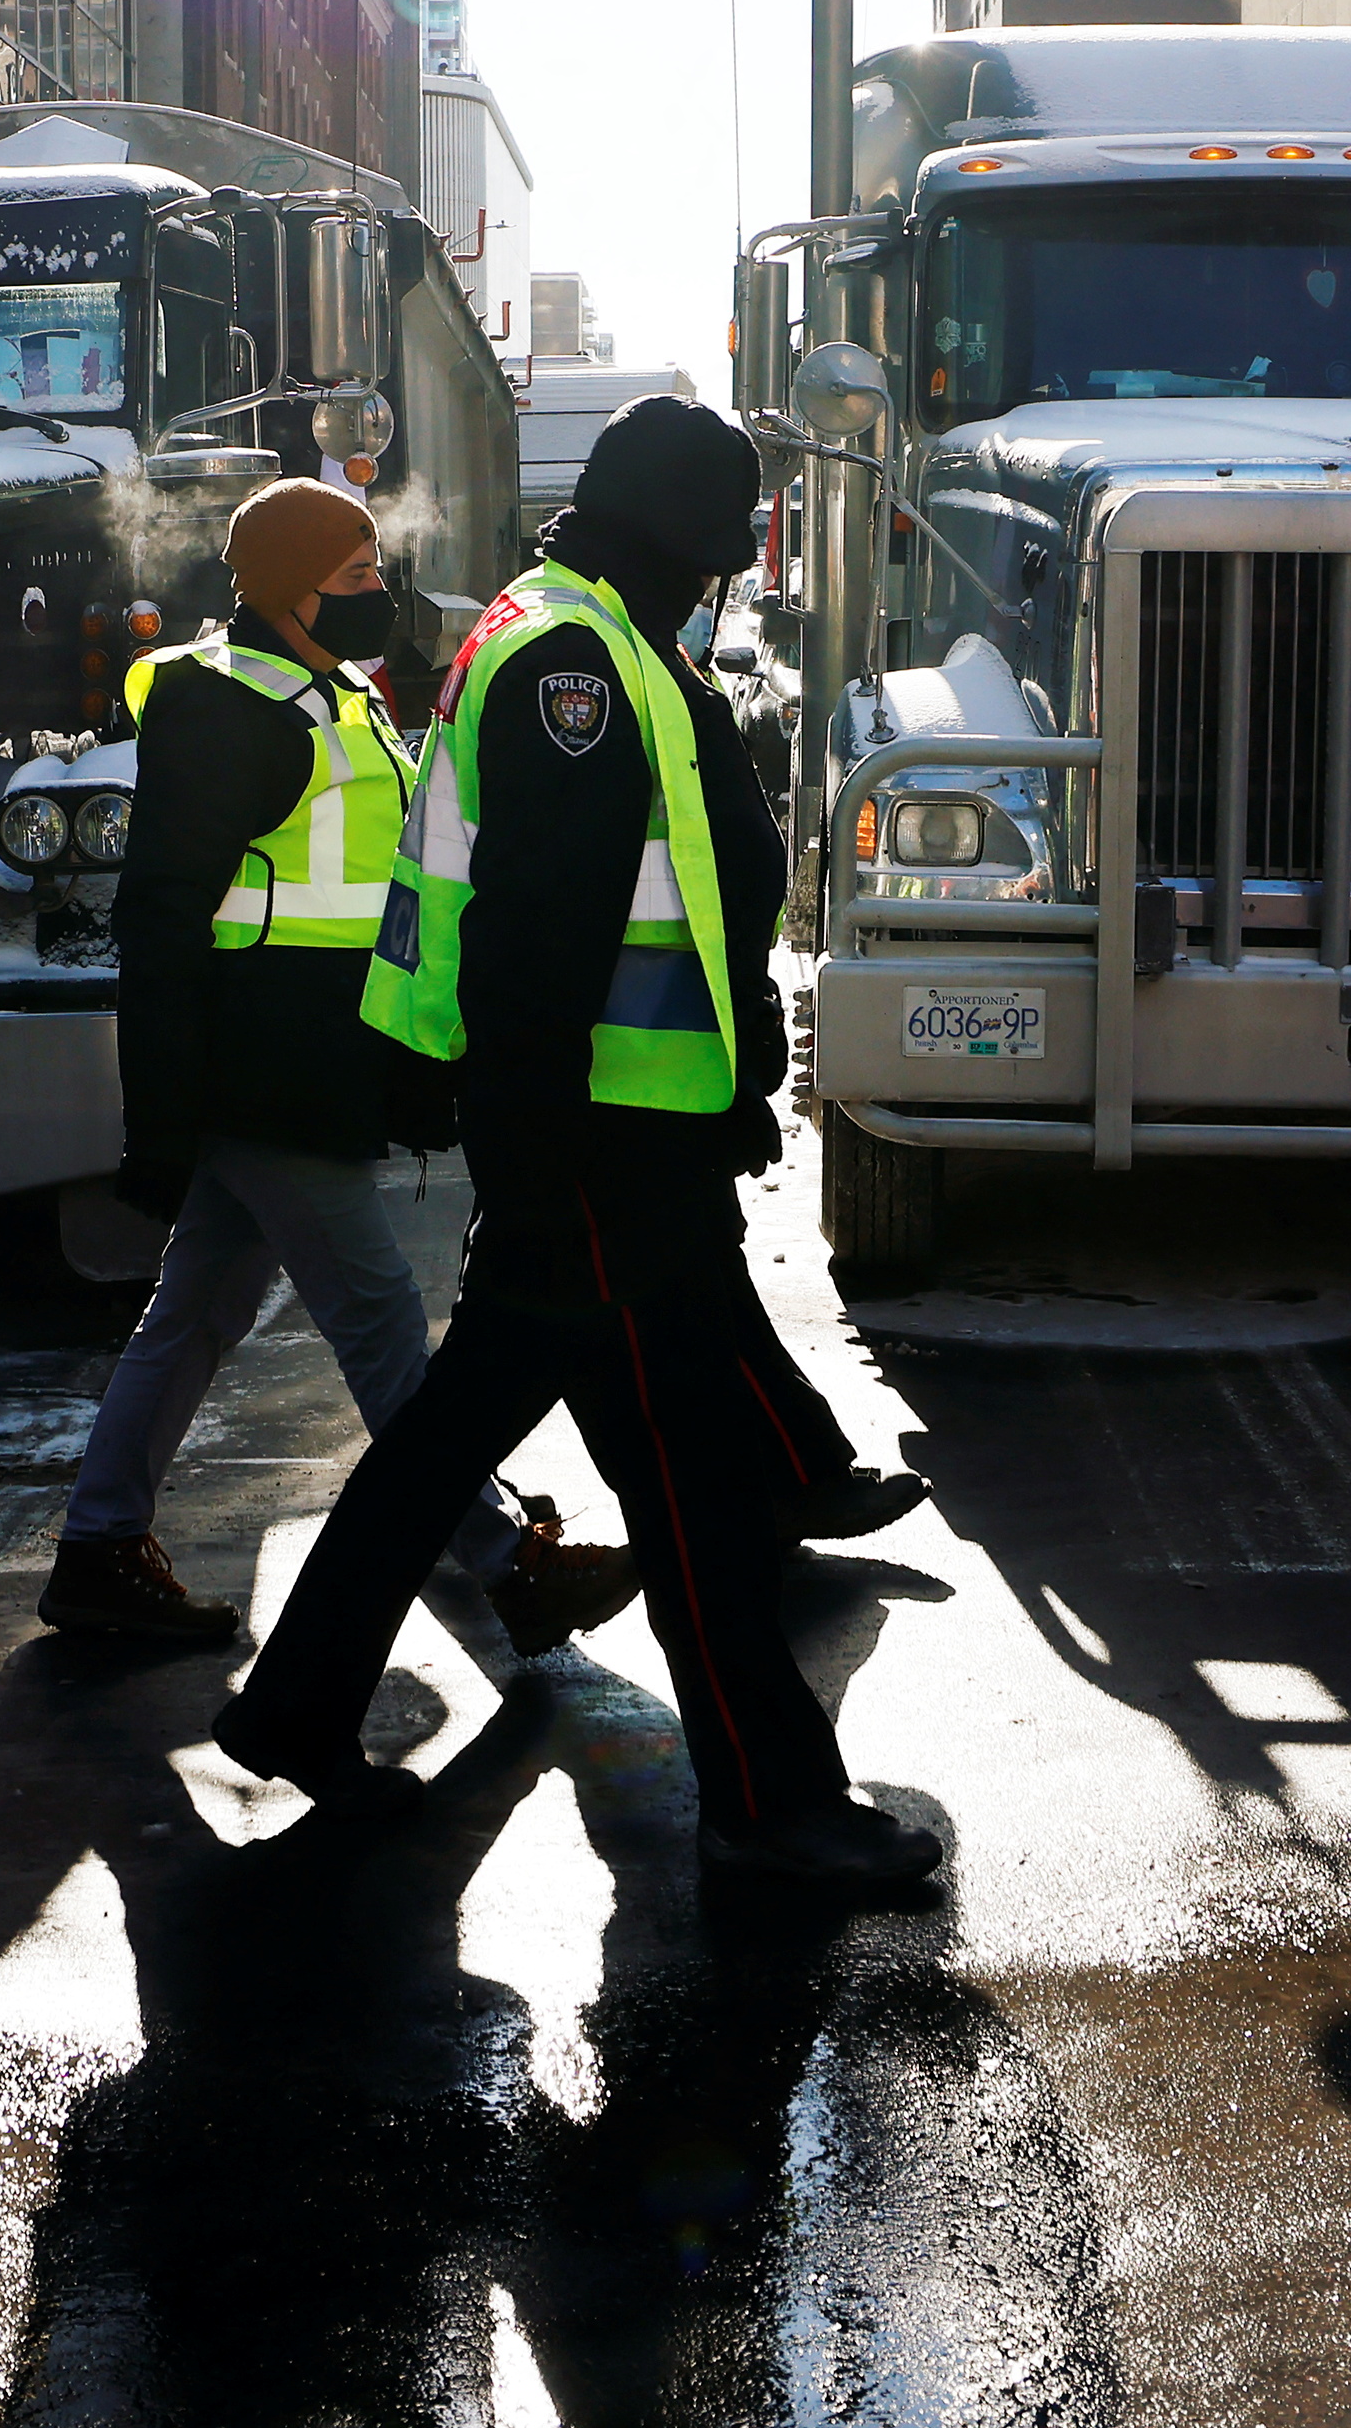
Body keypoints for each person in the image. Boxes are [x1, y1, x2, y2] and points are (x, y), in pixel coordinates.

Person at [210, 399, 945, 1892]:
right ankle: (770, 1793)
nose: (738, 566)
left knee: (452, 1443)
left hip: (614, 1140)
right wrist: (539, 1160)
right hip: (599, 1149)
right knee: (691, 1486)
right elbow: (542, 942)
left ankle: (293, 1707)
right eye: (731, 537)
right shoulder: (576, 661)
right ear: (689, 535)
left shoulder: (590, 632)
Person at [40, 477, 647, 1656]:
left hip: (309, 1054)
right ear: (287, 589)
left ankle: (99, 1545)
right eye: (358, 577)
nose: (382, 596)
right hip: (267, 1062)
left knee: (198, 1307)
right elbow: (160, 920)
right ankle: (503, 1556)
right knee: (377, 1321)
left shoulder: (334, 694)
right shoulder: (230, 708)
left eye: (378, 571)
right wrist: (155, 1120)